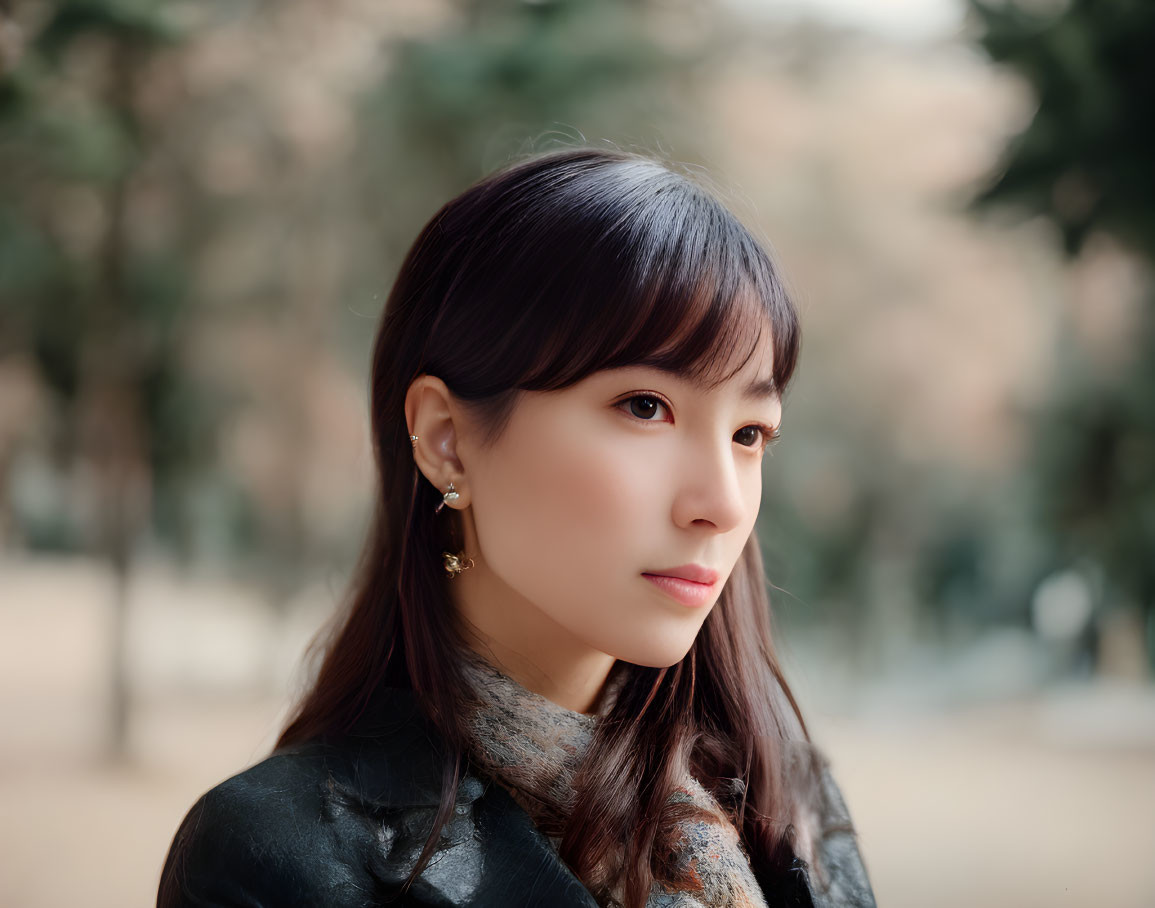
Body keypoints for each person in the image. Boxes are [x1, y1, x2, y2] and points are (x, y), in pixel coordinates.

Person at [157, 147, 877, 908]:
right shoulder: (275, 860)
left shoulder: (788, 803)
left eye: (749, 433)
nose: (723, 505)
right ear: (446, 439)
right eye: (644, 406)